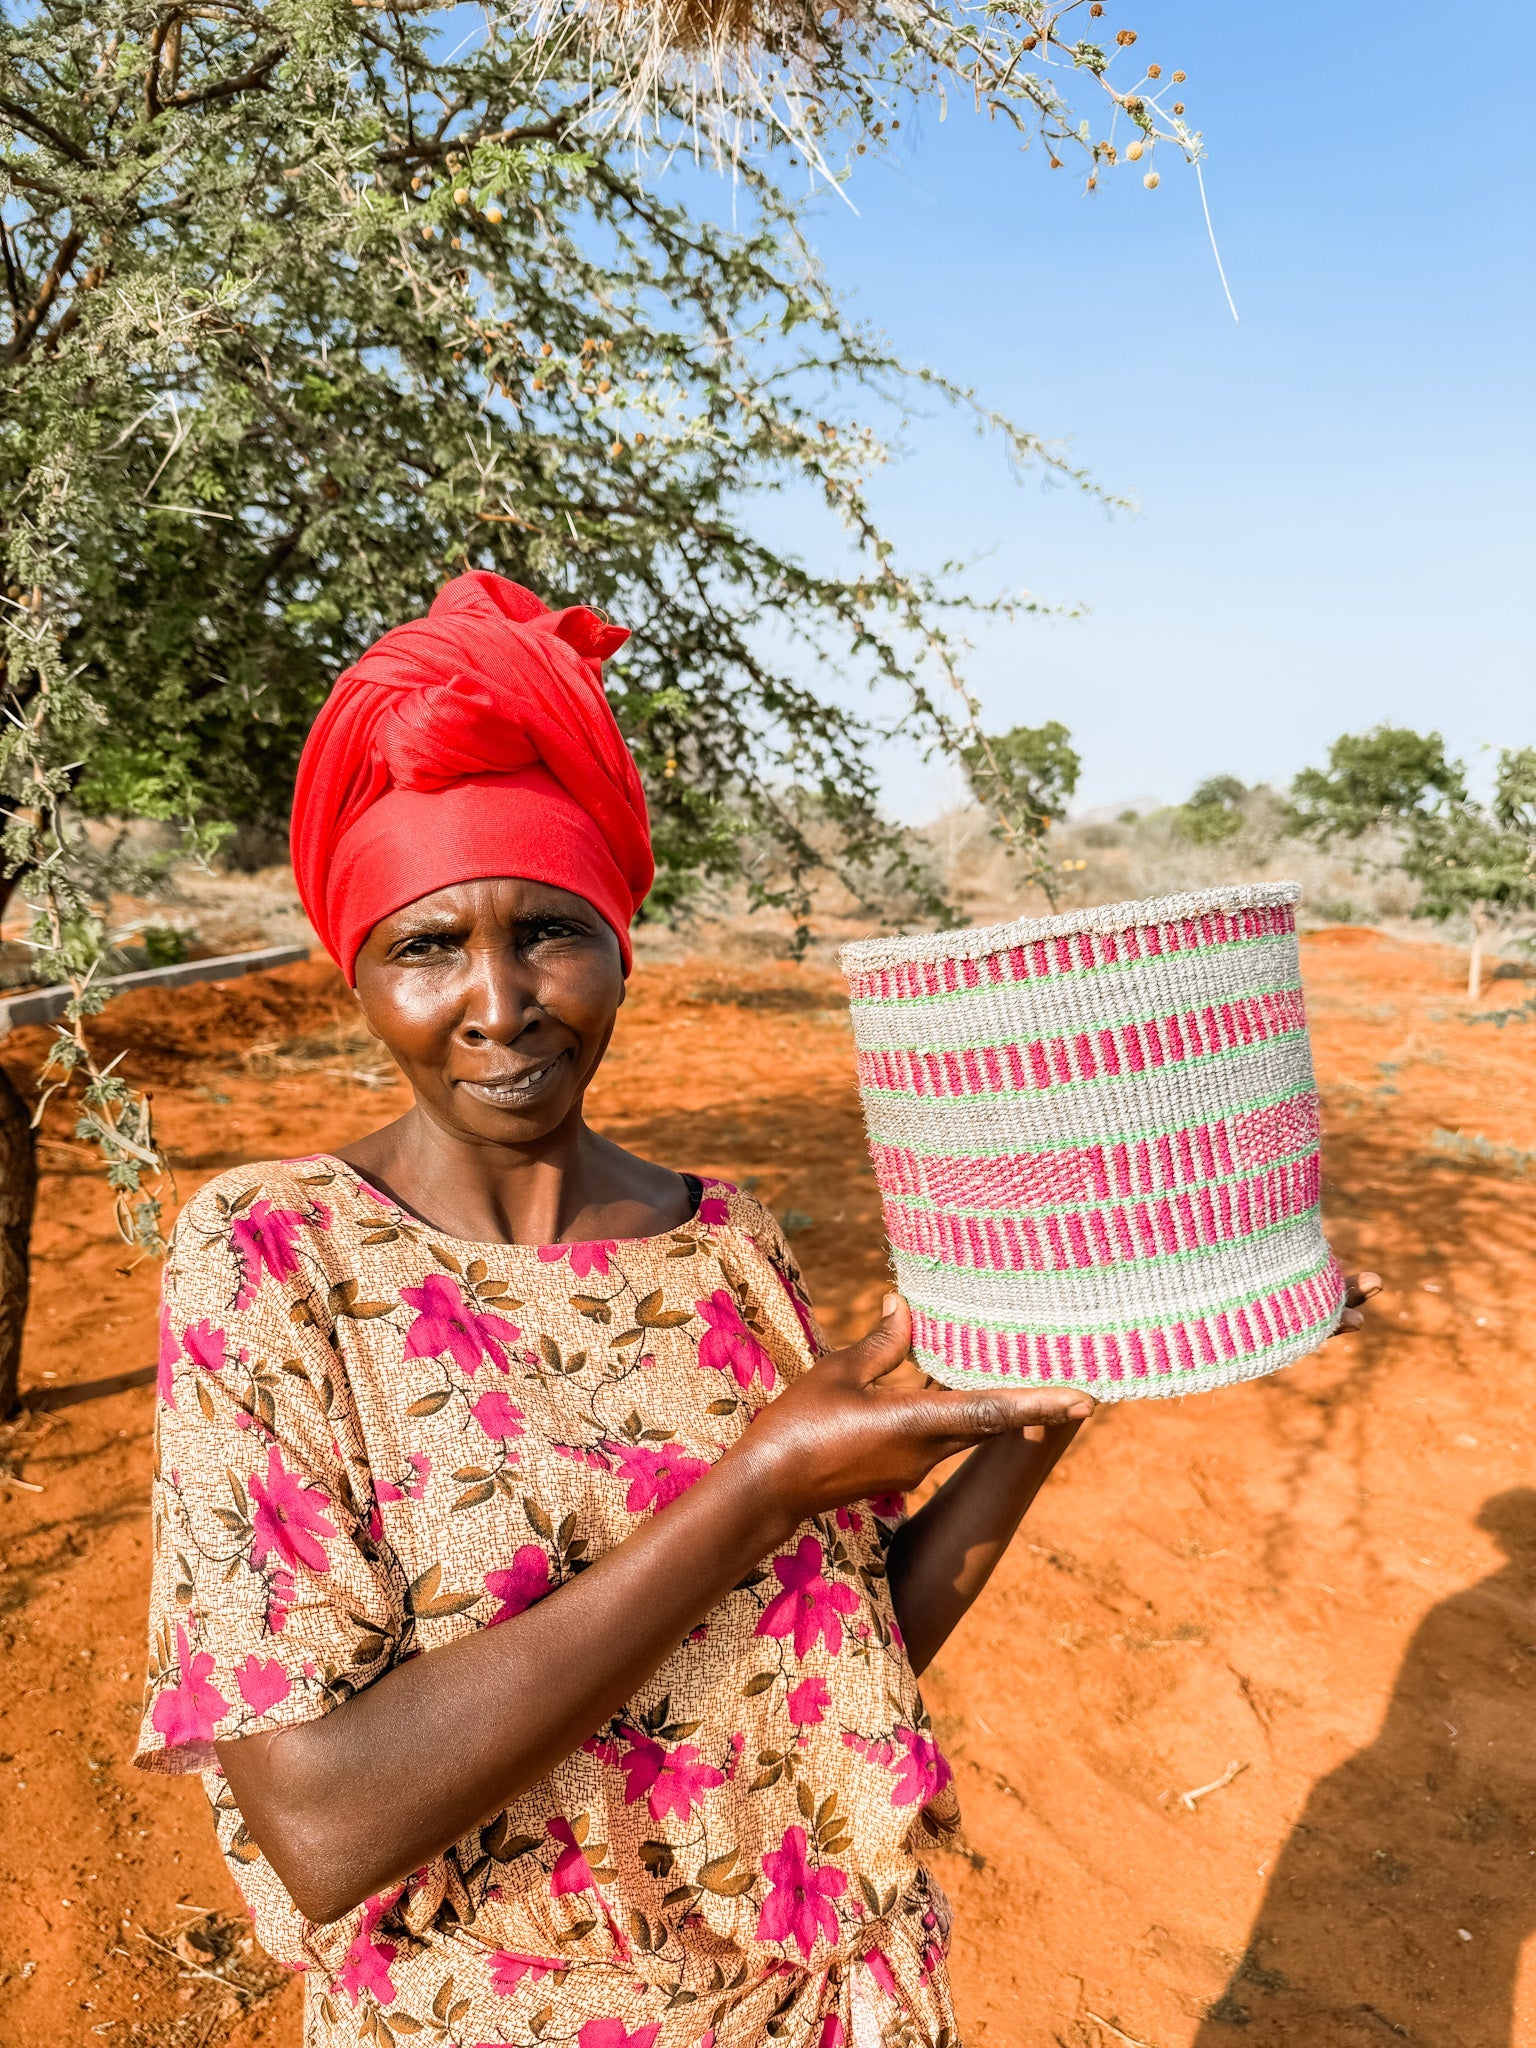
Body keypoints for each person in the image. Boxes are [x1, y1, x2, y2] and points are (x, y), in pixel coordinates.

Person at [134, 573, 1377, 2048]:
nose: (500, 1000)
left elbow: (836, 1656)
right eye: (425, 946)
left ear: (617, 944)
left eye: (548, 930)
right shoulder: (276, 1261)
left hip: (833, 1995)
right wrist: (768, 1481)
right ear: (356, 969)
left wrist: (1055, 1390)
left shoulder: (724, 1242)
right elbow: (325, 1824)